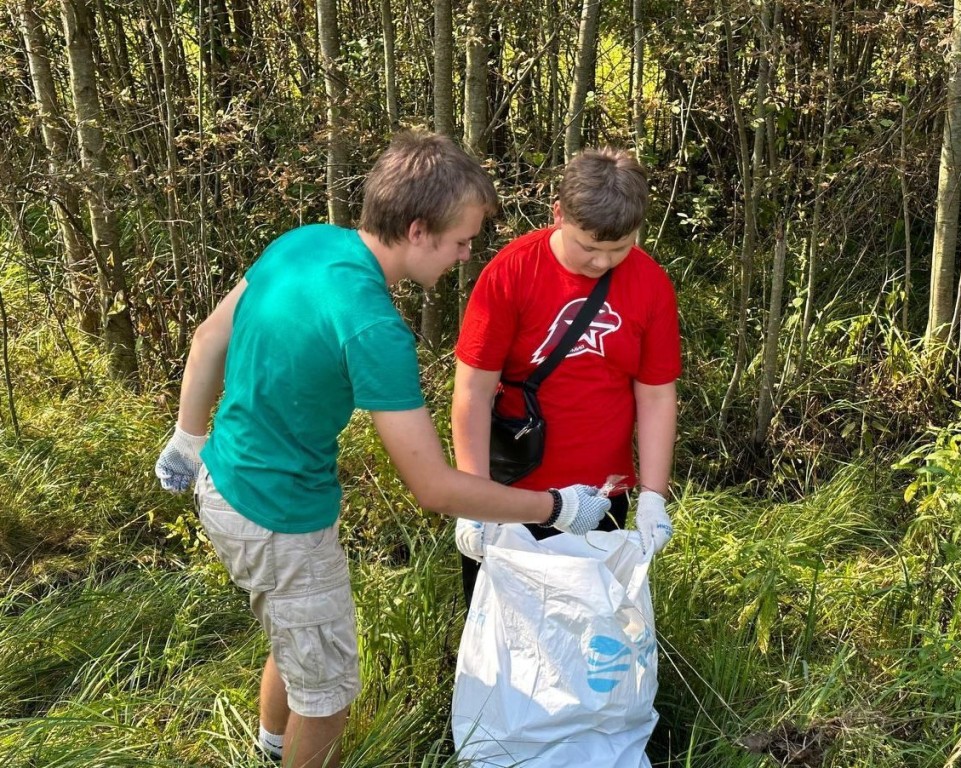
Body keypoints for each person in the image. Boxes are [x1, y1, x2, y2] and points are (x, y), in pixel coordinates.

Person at [154, 130, 611, 768]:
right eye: (460, 241)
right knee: (329, 694)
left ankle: (270, 750)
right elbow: (433, 487)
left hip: (223, 484)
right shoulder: (374, 328)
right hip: (280, 518)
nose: (465, 256)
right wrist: (554, 507)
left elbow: (207, 340)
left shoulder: (304, 243)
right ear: (419, 230)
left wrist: (187, 439)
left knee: (296, 639)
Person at [452, 146, 681, 607]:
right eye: (589, 247)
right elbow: (473, 392)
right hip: (508, 496)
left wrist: (654, 496)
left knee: (589, 647)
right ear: (558, 214)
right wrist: (471, 500)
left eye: (619, 248)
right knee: (503, 641)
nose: (602, 263)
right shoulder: (512, 273)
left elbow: (656, 396)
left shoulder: (650, 284)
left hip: (601, 497)